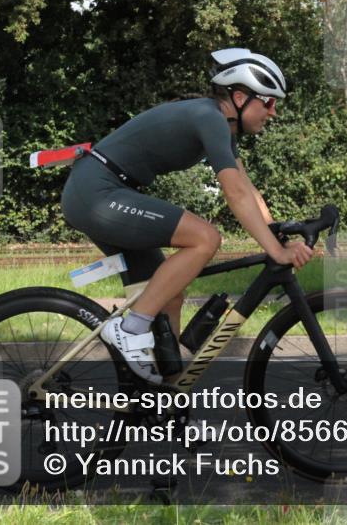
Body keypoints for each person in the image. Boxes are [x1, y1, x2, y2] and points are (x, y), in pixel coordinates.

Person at [61, 48, 313, 384]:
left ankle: (164, 399)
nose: (273, 112)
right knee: (205, 238)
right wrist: (276, 251)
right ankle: (130, 328)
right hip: (96, 192)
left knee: (169, 298)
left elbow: (246, 187)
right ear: (240, 98)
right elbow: (235, 195)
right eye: (268, 102)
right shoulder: (209, 118)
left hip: (105, 191)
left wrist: (276, 235)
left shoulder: (220, 125)